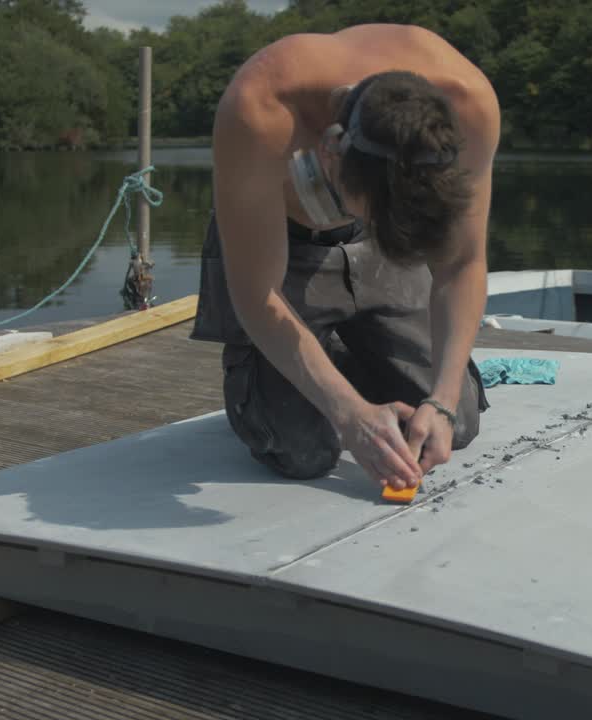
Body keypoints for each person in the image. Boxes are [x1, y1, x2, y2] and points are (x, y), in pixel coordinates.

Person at [189, 24, 499, 492]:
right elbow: (257, 293)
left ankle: (343, 362)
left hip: (384, 248)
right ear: (329, 149)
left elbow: (462, 263)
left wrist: (444, 398)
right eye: (364, 209)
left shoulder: (469, 102)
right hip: (278, 246)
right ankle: (298, 371)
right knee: (300, 451)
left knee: (454, 426)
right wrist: (349, 414)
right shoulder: (261, 104)